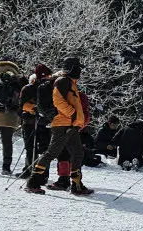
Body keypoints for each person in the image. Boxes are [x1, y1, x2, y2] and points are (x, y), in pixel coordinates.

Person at [25, 56, 93, 196]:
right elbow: (57, 100)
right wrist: (72, 114)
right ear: (72, 68)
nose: (80, 71)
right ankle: (33, 182)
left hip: (70, 124)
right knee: (52, 152)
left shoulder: (70, 82)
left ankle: (77, 184)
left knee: (77, 153)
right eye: (78, 68)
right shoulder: (62, 81)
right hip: (63, 123)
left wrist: (75, 119)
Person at [17, 63, 53, 178]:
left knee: (43, 148)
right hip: (31, 122)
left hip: (44, 123)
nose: (48, 78)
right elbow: (21, 105)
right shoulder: (29, 88)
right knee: (31, 148)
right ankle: (29, 170)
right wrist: (33, 109)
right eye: (46, 76)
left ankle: (41, 173)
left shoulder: (49, 88)